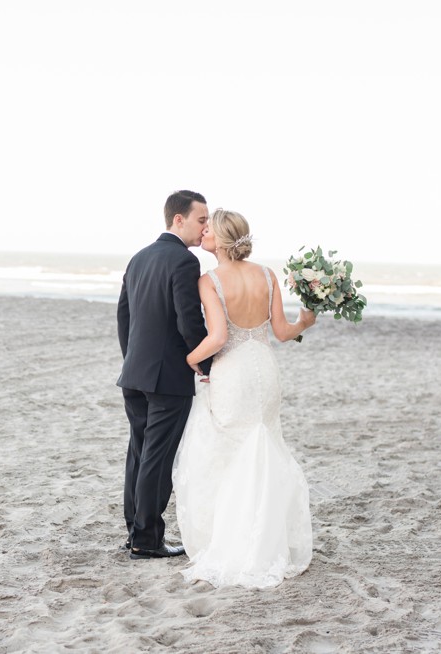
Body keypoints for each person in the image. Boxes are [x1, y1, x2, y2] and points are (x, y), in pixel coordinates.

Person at [172, 208, 316, 587]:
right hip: (264, 368)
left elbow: (218, 337)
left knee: (228, 453)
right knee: (265, 445)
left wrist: (188, 359)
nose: (203, 232)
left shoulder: (210, 281)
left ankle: (237, 541)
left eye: (208, 229)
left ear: (219, 239)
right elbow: (283, 332)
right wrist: (306, 322)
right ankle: (269, 539)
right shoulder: (267, 275)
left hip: (233, 371)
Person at [117, 190, 212, 560]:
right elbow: (189, 321)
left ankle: (134, 532)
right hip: (167, 378)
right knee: (157, 458)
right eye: (201, 220)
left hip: (135, 373)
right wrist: (205, 361)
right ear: (179, 219)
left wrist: (133, 359)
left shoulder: (139, 258)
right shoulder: (184, 262)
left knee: (139, 453)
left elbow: (124, 316)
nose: (205, 228)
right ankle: (147, 540)